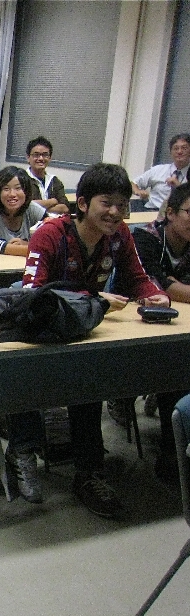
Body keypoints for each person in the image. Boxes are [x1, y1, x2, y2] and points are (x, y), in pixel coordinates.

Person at [23, 163, 170, 519]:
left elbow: (137, 277)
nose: (116, 212)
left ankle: (161, 458)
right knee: (86, 381)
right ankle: (84, 470)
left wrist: (156, 296)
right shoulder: (50, 233)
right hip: (42, 334)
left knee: (163, 364)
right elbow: (32, 296)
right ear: (84, 203)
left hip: (87, 329)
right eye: (108, 203)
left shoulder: (120, 236)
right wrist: (96, 302)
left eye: (123, 204)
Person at [131, 182, 190, 483]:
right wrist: (171, 286)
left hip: (177, 325)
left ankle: (178, 447)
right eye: (189, 212)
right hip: (135, 326)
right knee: (176, 367)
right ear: (170, 213)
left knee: (179, 364)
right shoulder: (145, 237)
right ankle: (172, 453)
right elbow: (158, 286)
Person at [0, 166, 46, 255]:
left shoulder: (30, 207)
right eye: (6, 189)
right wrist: (30, 249)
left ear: (26, 191)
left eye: (18, 188)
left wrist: (28, 244)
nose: (12, 194)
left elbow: (56, 231)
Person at [132, 133, 190, 212]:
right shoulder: (158, 170)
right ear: (171, 152)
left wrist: (179, 187)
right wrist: (138, 191)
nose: (179, 152)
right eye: (176, 148)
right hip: (151, 211)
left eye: (184, 148)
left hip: (180, 215)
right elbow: (133, 183)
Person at [25, 137, 70, 215]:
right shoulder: (22, 179)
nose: (41, 158)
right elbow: (26, 206)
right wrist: (52, 201)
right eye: (36, 155)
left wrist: (40, 206)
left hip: (54, 224)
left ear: (49, 158)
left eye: (45, 155)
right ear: (28, 158)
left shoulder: (54, 181)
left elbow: (65, 208)